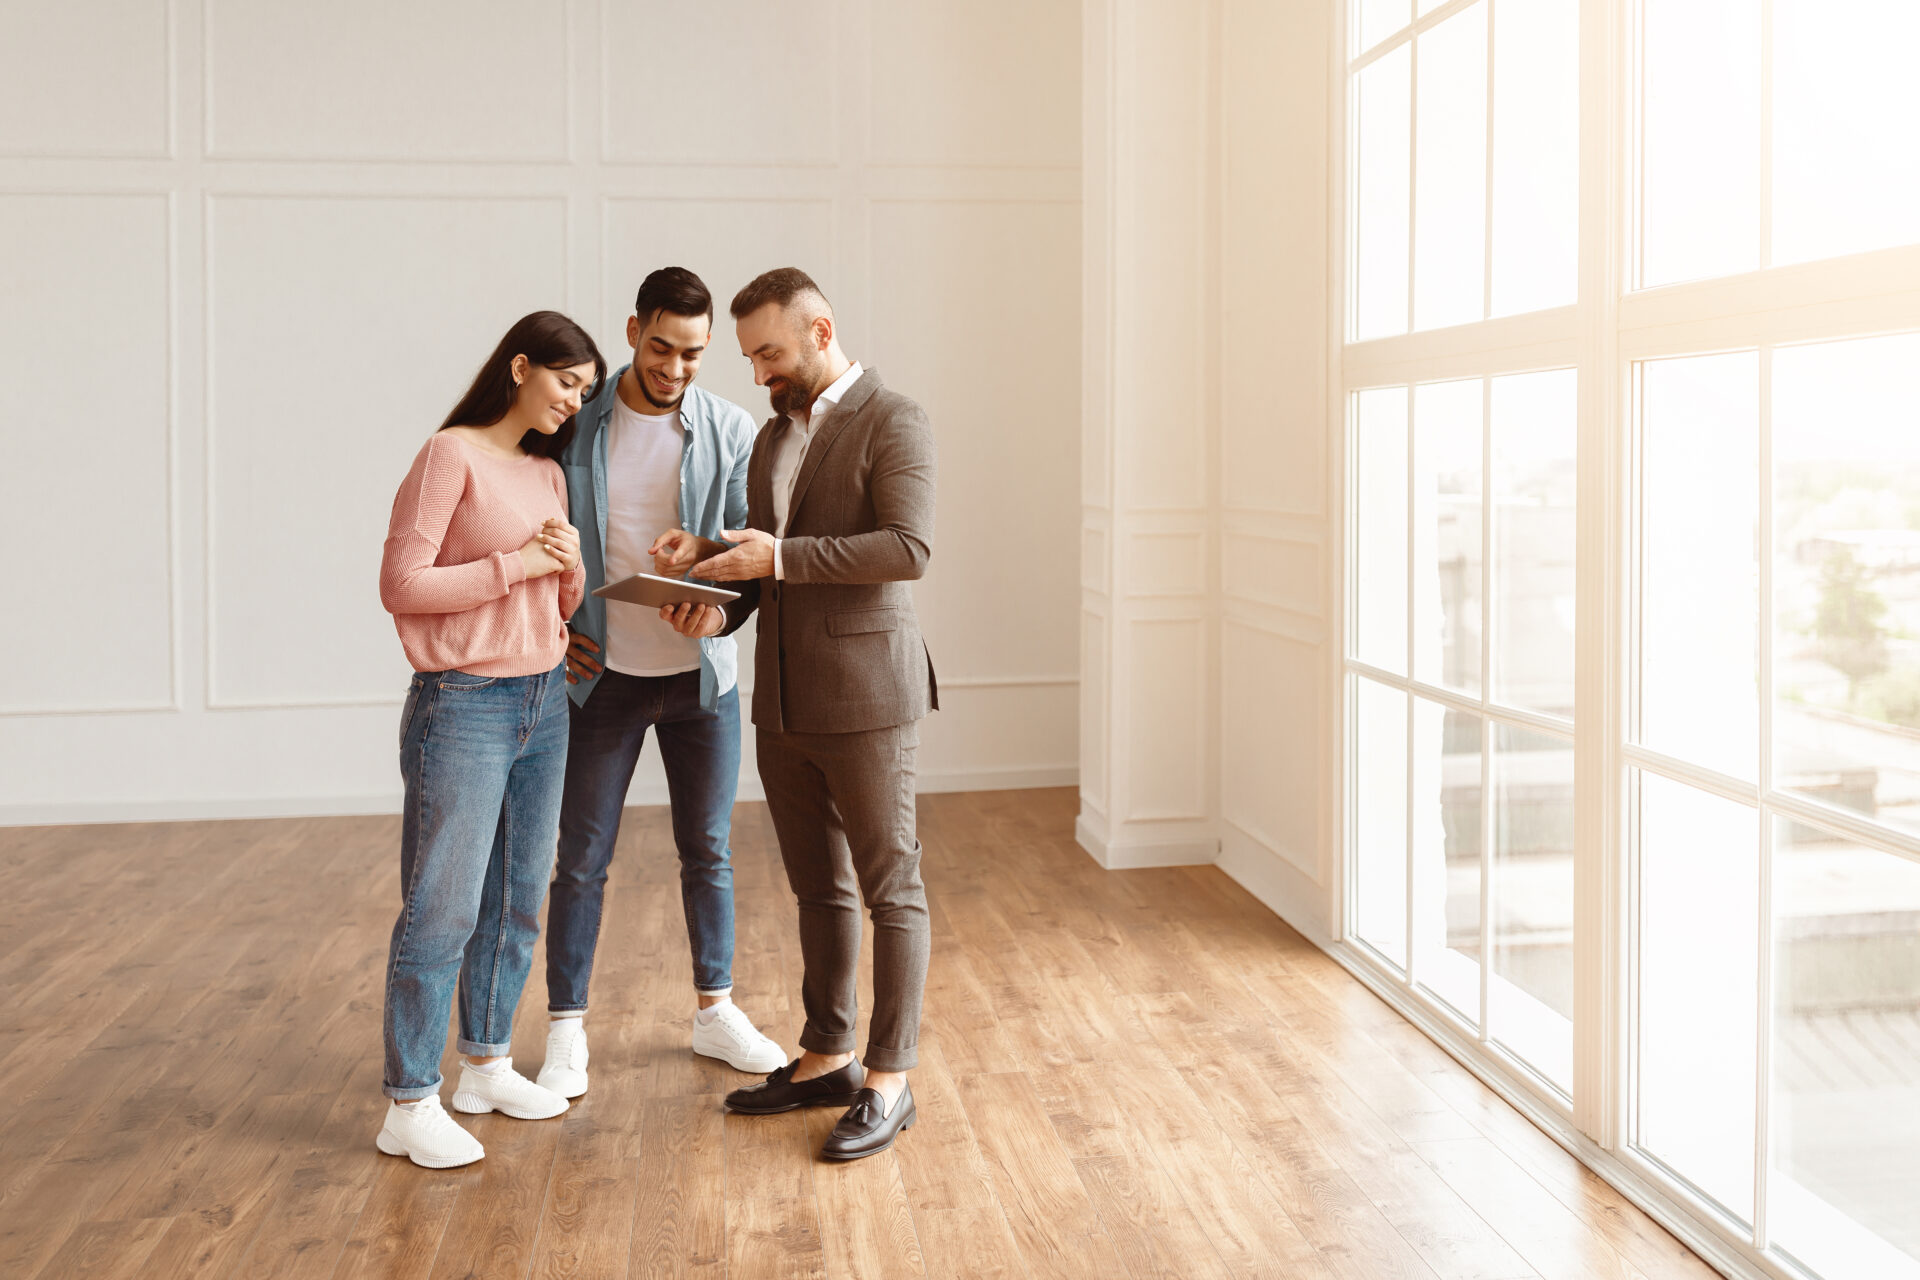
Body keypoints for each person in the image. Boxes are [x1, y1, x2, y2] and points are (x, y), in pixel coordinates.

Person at [660, 267, 937, 1161]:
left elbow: (906, 547)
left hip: (867, 698)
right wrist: (712, 593)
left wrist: (774, 560)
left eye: (769, 353)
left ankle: (889, 1078)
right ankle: (827, 1055)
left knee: (891, 889)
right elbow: (763, 562)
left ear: (821, 332)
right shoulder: (774, 434)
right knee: (818, 888)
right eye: (749, 358)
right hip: (780, 702)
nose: (758, 374)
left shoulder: (894, 419)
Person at [535, 268, 784, 1101]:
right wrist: (556, 633)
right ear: (634, 330)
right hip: (601, 680)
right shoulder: (578, 422)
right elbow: (532, 534)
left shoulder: (730, 428)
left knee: (708, 851)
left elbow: (750, 556)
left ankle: (716, 1010)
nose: (676, 368)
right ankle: (566, 1028)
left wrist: (715, 603)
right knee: (581, 860)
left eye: (694, 354)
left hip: (699, 684)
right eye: (662, 348)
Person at [373, 310, 604, 1169]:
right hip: (464, 702)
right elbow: (402, 584)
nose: (573, 401)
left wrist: (568, 564)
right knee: (443, 908)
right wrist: (518, 565)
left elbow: (559, 601)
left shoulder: (547, 472)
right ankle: (409, 1102)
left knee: (516, 900)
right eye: (565, 382)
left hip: (545, 698)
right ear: (519, 366)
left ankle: (486, 1064)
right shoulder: (451, 455)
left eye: (584, 391)